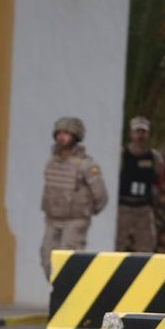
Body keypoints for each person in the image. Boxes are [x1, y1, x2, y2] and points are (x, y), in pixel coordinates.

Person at [40, 116, 108, 279]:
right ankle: (58, 287)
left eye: (66, 133)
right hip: (53, 219)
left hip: (75, 220)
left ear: (75, 136)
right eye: (59, 133)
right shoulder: (52, 162)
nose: (61, 137)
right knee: (47, 258)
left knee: (68, 261)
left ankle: (68, 290)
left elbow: (101, 195)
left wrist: (86, 212)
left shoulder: (85, 165)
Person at [115, 116, 164, 253]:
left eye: (143, 132)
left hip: (144, 209)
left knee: (146, 246)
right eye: (137, 132)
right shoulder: (122, 154)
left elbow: (158, 180)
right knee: (118, 244)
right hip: (124, 208)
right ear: (131, 134)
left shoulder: (154, 157)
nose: (140, 136)